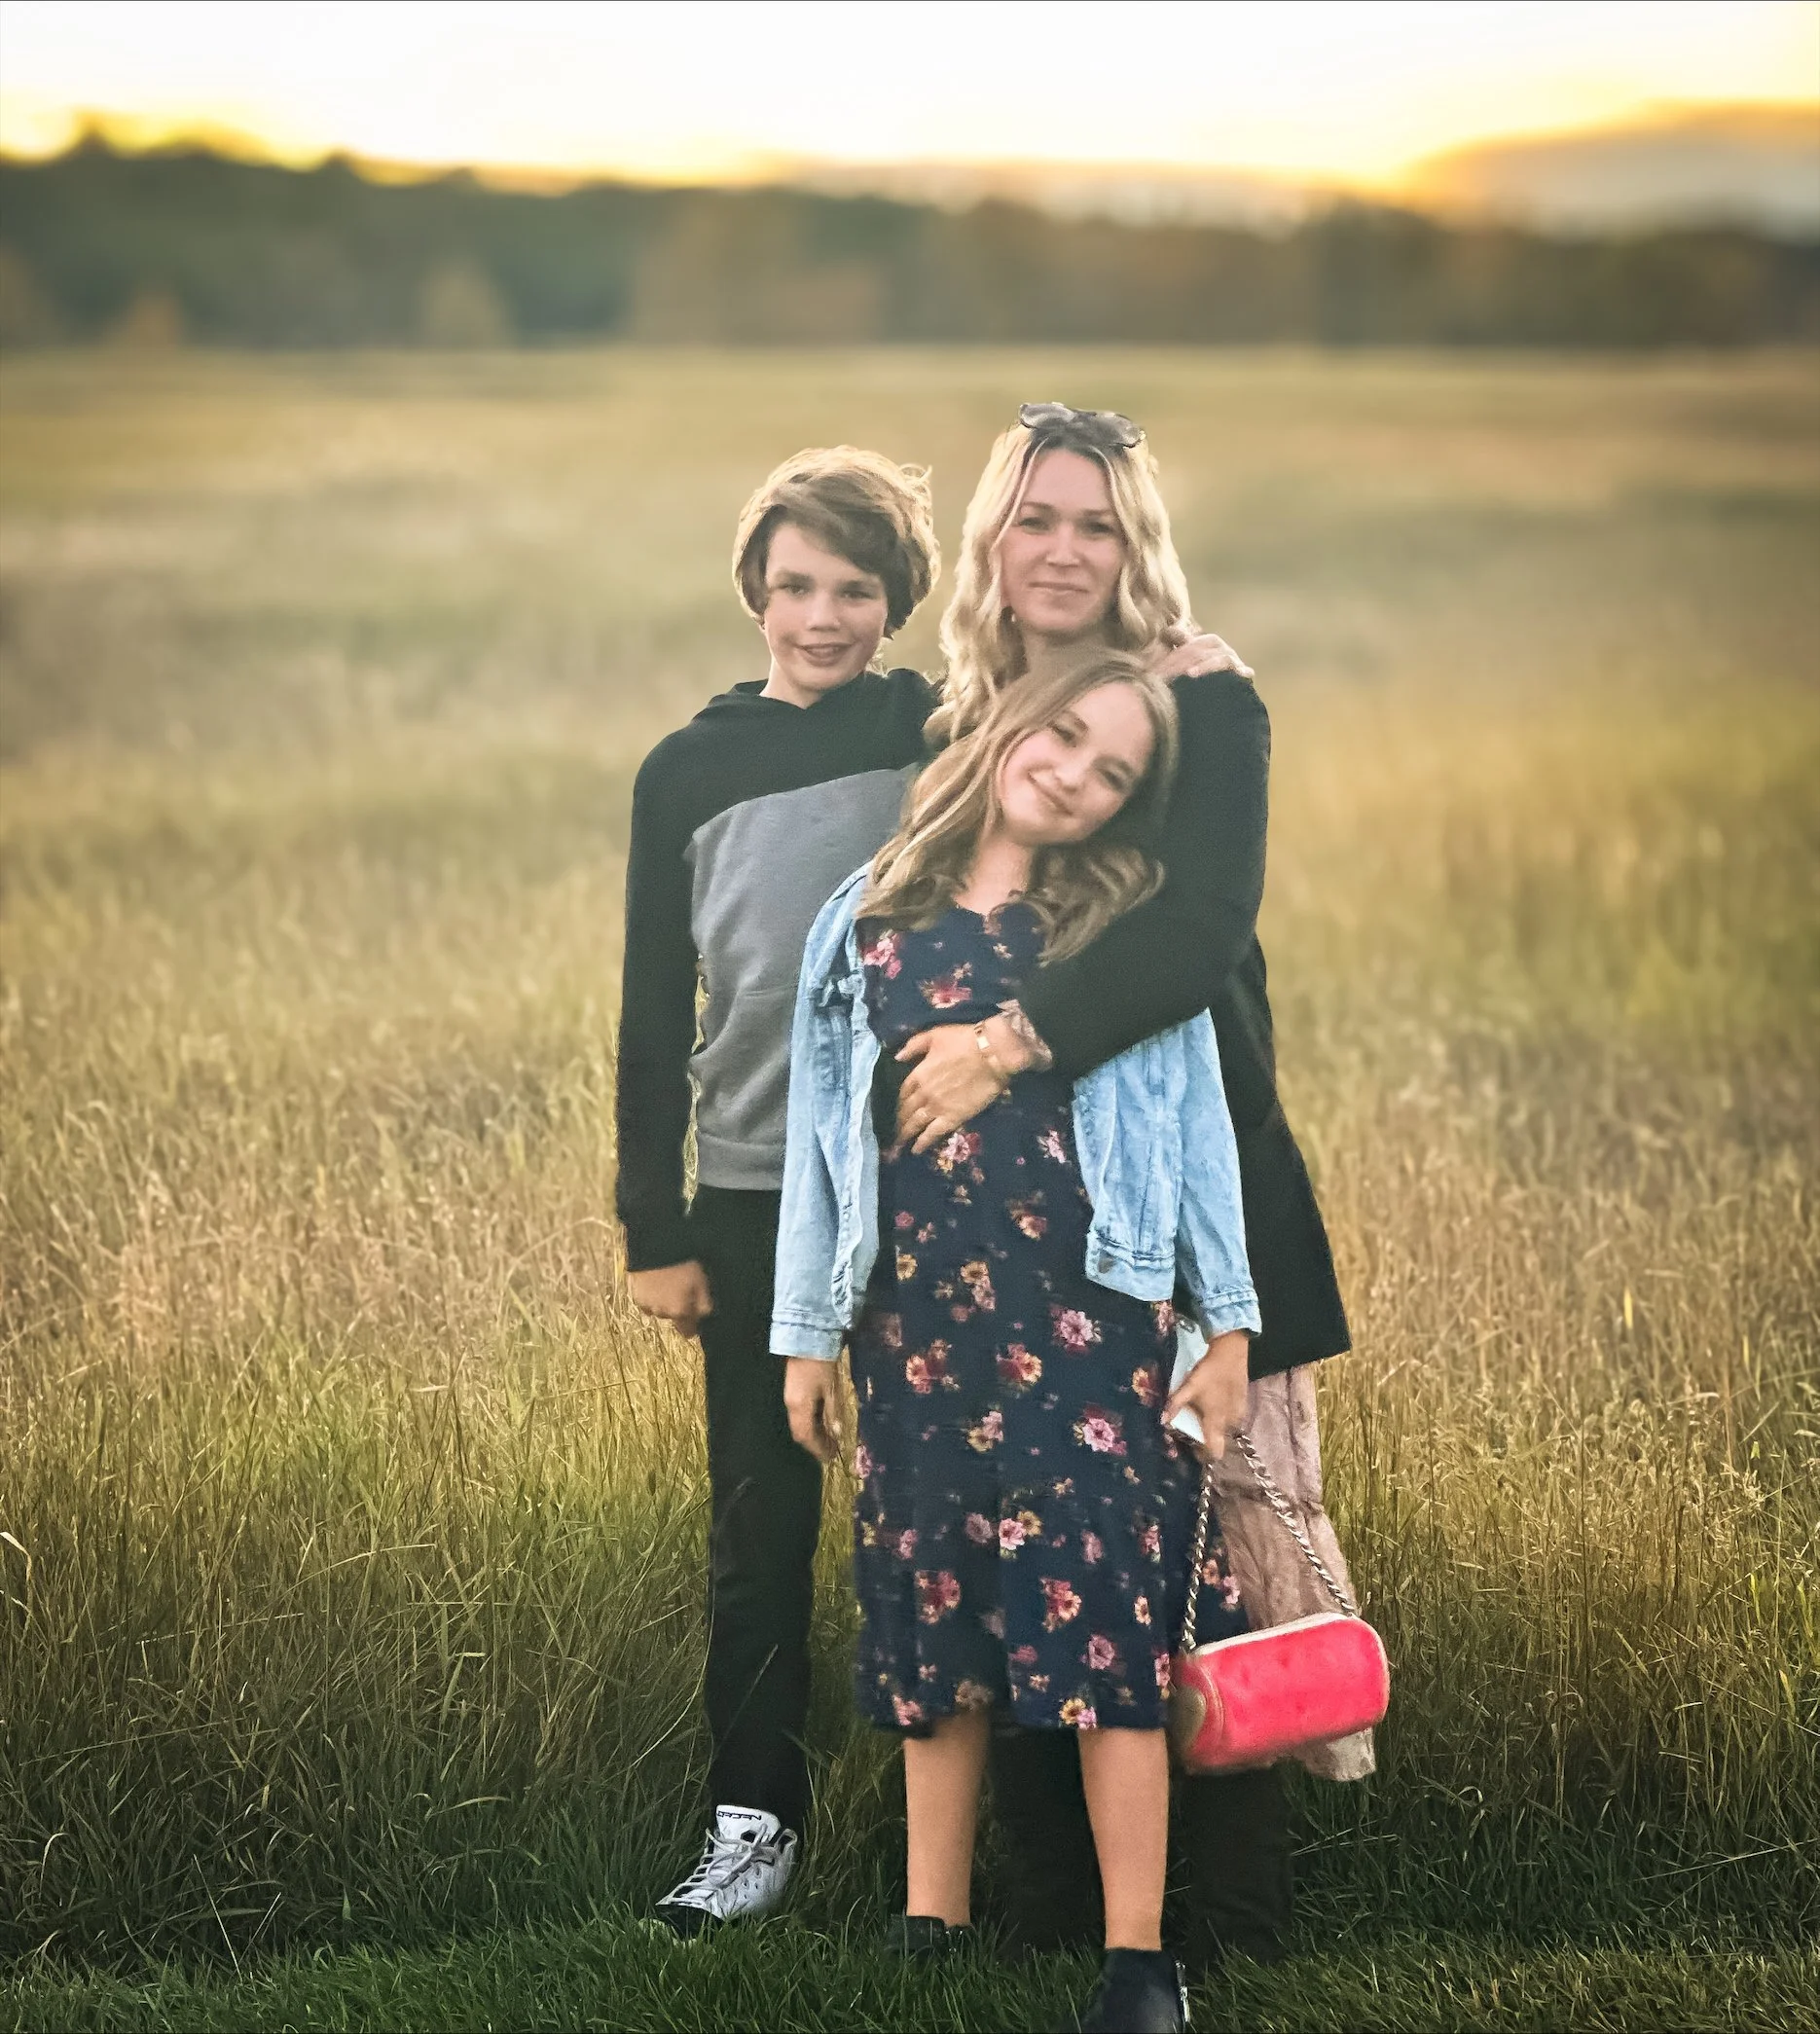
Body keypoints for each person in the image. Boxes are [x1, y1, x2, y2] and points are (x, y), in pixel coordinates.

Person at [887, 403, 1356, 1969]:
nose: (1065, 549)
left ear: (1133, 543)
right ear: (993, 545)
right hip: (996, 1235)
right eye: (1035, 519)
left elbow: (1196, 930)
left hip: (1174, 1197)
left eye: (1095, 522)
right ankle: (1047, 1911)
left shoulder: (1200, 699)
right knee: (1022, 1546)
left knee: (1197, 1562)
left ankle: (1211, 1923)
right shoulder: (974, 714)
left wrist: (1007, 1047)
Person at [775, 651, 1260, 2034]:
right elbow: (821, 1146)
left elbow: (1195, 1131)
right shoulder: (860, 919)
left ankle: (1136, 1962)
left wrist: (1223, 1321)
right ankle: (930, 1926)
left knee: (1104, 1619)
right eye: (1063, 738)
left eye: (1113, 773)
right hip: (913, 1324)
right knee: (937, 1614)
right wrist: (805, 1336)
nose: (1073, 775)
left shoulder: (1114, 937)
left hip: (1090, 1325)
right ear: (1008, 724)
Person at [614, 446, 940, 1934]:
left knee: (946, 1511)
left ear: (895, 599)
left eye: (854, 589)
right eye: (796, 584)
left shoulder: (941, 731)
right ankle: (753, 1828)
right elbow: (648, 1005)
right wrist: (653, 1223)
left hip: (929, 1184)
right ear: (755, 588)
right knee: (759, 1523)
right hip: (746, 1194)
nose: (822, 617)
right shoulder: (685, 768)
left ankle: (966, 1852)